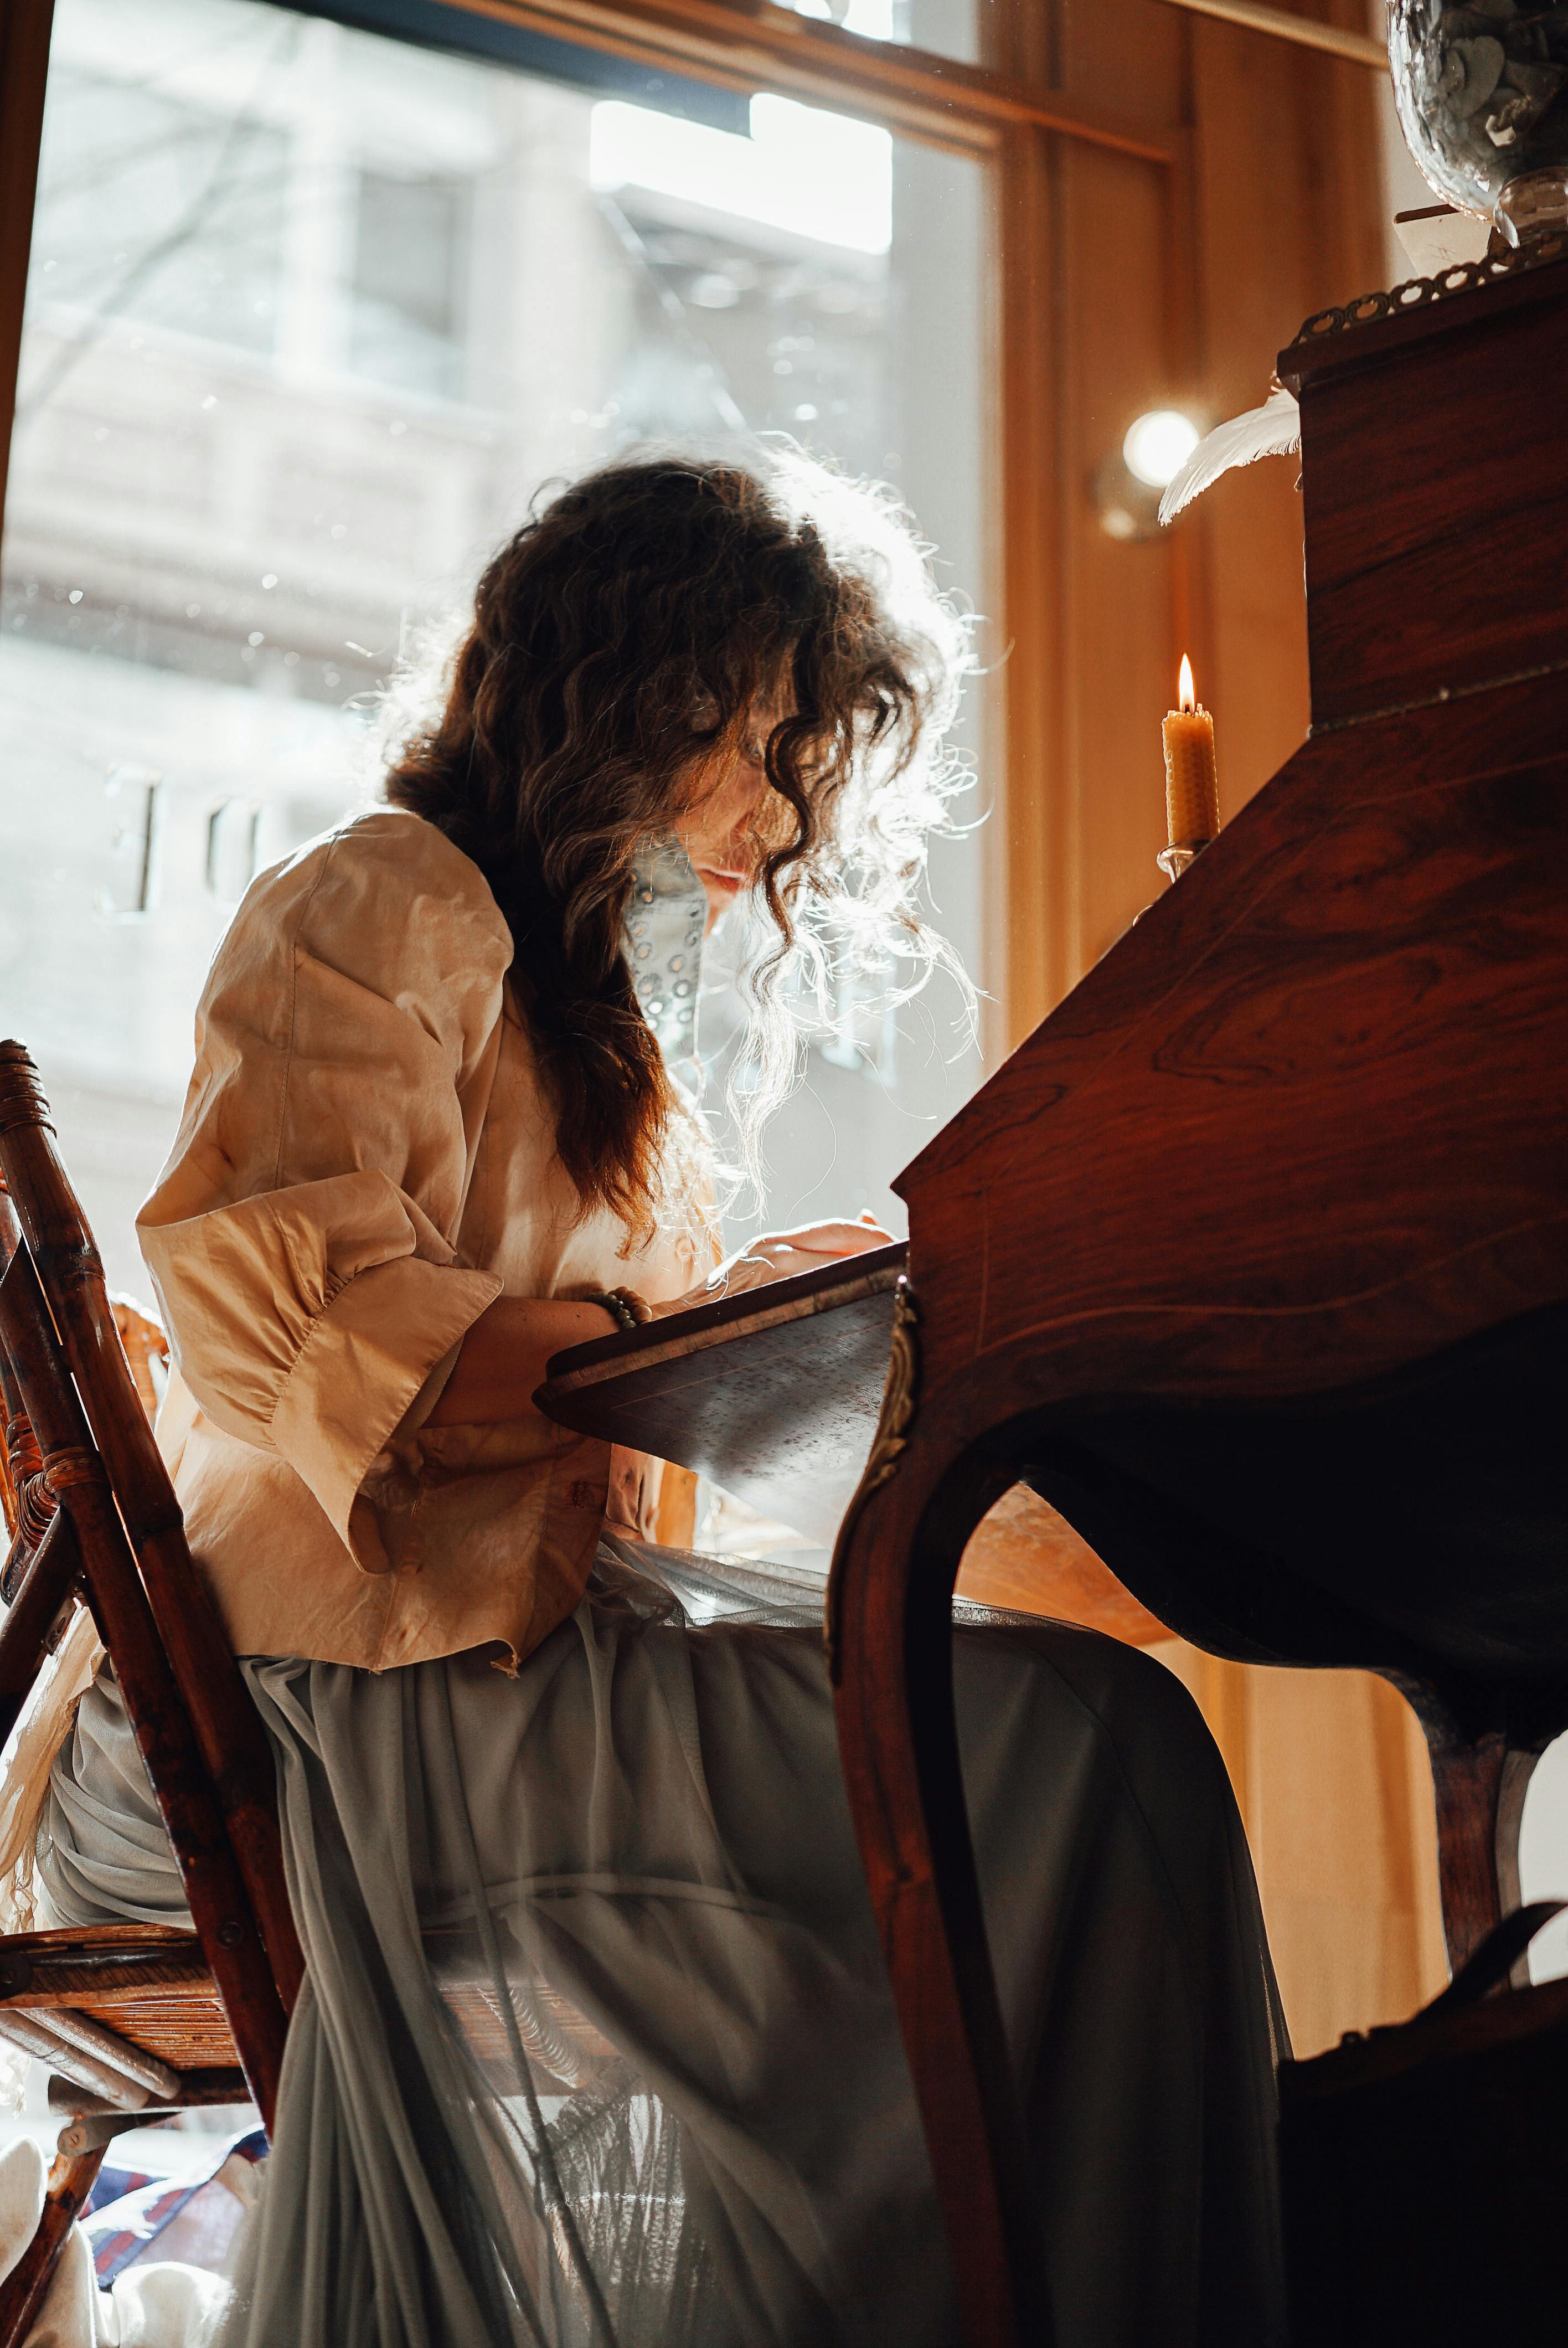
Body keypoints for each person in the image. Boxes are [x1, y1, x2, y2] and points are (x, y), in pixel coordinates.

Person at [35, 452, 1288, 2347]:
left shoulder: (581, 1005)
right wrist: (666, 1337)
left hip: (490, 1644)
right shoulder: (385, 893)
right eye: (774, 745)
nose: (787, 817)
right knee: (1086, 1750)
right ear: (644, 690)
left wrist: (733, 1317)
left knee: (1100, 1736)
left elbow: (555, 1370)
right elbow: (279, 1308)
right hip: (326, 1676)